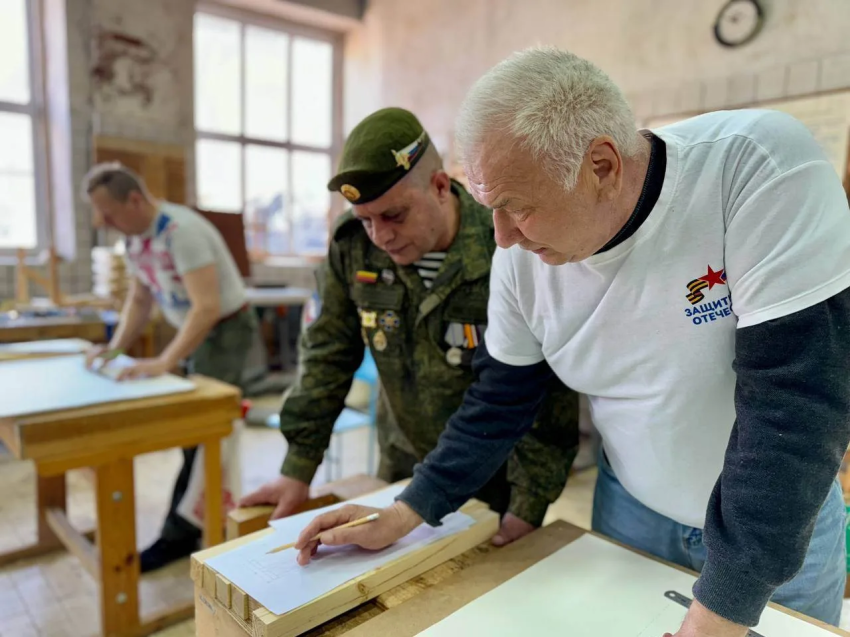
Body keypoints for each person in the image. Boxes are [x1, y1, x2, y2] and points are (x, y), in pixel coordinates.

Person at [292, 48, 850, 637]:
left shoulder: (758, 168)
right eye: (489, 208)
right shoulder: (521, 257)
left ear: (602, 166)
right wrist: (408, 510)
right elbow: (500, 400)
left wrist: (724, 606)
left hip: (776, 528)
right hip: (633, 508)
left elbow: (798, 406)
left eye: (517, 208)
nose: (501, 238)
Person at [239, 107, 580, 546]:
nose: (379, 235)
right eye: (366, 220)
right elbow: (327, 353)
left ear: (440, 187)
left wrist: (528, 505)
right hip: (401, 464)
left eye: (394, 216)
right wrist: (298, 468)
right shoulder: (353, 247)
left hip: (497, 474)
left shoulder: (506, 244)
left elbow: (546, 387)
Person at [81, 162, 258, 572]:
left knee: (204, 430)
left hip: (225, 331)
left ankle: (181, 532)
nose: (102, 222)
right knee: (193, 433)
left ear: (135, 200)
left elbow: (208, 307)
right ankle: (194, 520)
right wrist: (113, 349)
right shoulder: (136, 240)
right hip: (198, 328)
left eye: (107, 213)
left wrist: (163, 361)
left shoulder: (182, 232)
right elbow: (140, 301)